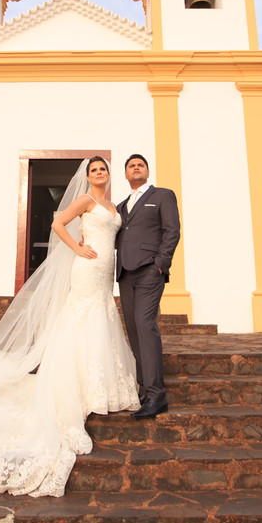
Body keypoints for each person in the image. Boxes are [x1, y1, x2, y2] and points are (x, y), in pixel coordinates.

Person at [0, 157, 140, 497]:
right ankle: (78, 385)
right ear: (87, 176)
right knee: (83, 318)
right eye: (94, 170)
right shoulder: (85, 200)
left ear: (109, 175)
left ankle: (103, 384)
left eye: (103, 170)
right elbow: (58, 223)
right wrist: (78, 248)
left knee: (103, 317)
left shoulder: (113, 206)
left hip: (104, 273)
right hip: (86, 268)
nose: (99, 173)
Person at [115, 154, 180, 418]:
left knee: (145, 325)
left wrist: (161, 264)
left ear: (148, 171)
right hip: (125, 274)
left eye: (140, 165)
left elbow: (172, 231)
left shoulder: (163, 195)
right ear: (126, 174)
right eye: (131, 166)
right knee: (133, 331)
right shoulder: (120, 207)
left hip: (150, 271)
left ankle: (156, 395)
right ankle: (143, 390)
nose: (136, 168)